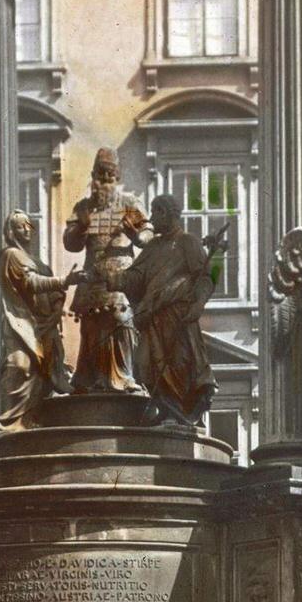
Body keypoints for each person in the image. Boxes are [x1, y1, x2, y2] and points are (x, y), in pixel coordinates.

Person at [113, 192, 218, 424]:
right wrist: (112, 279)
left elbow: (205, 277)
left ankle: (179, 412)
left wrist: (199, 304)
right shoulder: (153, 247)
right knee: (145, 365)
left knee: (179, 364)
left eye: (155, 211)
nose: (151, 217)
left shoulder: (187, 242)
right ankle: (168, 410)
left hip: (177, 317)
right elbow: (135, 277)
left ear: (167, 214)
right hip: (153, 319)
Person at [63, 148, 149, 395]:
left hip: (121, 274)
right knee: (92, 327)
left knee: (121, 320)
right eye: (99, 174)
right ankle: (92, 378)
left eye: (109, 175)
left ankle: (124, 376)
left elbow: (147, 235)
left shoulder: (129, 204)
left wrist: (134, 233)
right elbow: (71, 243)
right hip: (93, 276)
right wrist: (81, 227)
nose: (103, 180)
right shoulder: (83, 207)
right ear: (93, 176)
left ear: (117, 176)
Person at [0, 210, 70, 435]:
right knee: (19, 365)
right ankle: (4, 420)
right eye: (20, 226)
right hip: (21, 322)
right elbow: (30, 282)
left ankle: (28, 420)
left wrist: (56, 309)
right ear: (11, 232)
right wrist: (65, 280)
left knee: (42, 376)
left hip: (44, 327)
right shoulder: (11, 255)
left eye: (28, 226)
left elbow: (55, 293)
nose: (26, 230)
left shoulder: (39, 263)